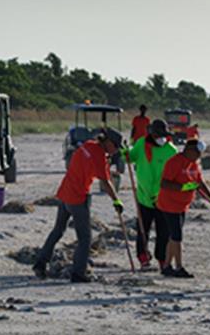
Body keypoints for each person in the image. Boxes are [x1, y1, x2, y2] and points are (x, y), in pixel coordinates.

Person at [33, 129, 125, 283]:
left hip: (65, 192)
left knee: (58, 230)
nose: (116, 149)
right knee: (85, 238)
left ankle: (40, 264)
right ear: (107, 141)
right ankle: (78, 273)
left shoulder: (88, 144)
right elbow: (106, 182)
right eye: (115, 145)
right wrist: (116, 200)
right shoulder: (99, 156)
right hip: (77, 197)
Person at [156, 139, 210, 278]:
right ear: (189, 150)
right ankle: (178, 267)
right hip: (169, 205)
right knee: (177, 236)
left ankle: (166, 266)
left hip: (182, 206)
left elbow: (200, 182)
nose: (199, 156)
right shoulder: (174, 162)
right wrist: (182, 187)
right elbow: (164, 183)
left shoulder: (194, 164)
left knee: (174, 236)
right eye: (197, 152)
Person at [125, 119, 176, 270]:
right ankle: (143, 257)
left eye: (163, 135)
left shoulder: (171, 151)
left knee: (163, 232)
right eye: (158, 135)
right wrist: (124, 152)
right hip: (144, 197)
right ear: (152, 134)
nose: (161, 138)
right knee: (142, 229)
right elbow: (130, 157)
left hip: (163, 199)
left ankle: (162, 258)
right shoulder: (141, 144)